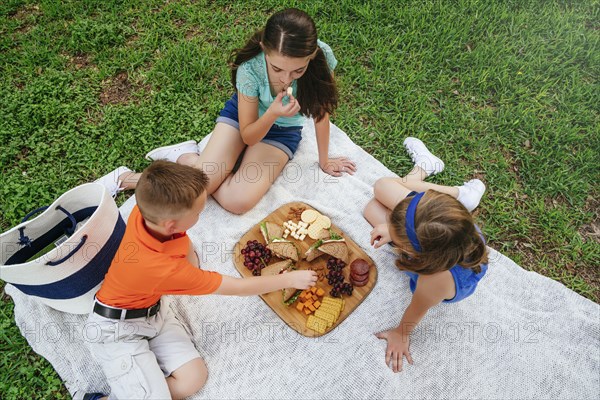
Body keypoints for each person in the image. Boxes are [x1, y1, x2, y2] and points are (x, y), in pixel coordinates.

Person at [82, 161, 317, 400]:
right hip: (115, 330)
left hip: (154, 311)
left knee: (194, 378)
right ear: (171, 224)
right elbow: (237, 287)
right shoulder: (163, 269)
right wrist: (289, 279)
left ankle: (138, 385)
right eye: (198, 213)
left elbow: (155, 188)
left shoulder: (143, 212)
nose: (201, 215)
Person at [144, 8, 356, 214]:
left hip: (282, 131)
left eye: (298, 70)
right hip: (243, 118)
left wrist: (325, 160)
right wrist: (272, 112)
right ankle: (186, 157)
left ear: (312, 55)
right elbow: (249, 135)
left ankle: (201, 164)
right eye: (277, 69)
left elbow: (321, 111)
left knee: (237, 201)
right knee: (197, 189)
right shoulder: (249, 68)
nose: (286, 79)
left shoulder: (322, 57)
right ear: (264, 48)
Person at [363, 137, 488, 373]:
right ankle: (457, 192)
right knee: (381, 186)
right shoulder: (448, 223)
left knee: (372, 208)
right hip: (430, 224)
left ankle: (424, 174)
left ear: (412, 252)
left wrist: (401, 333)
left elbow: (417, 309)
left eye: (399, 238)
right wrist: (395, 229)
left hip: (435, 256)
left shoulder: (435, 280)